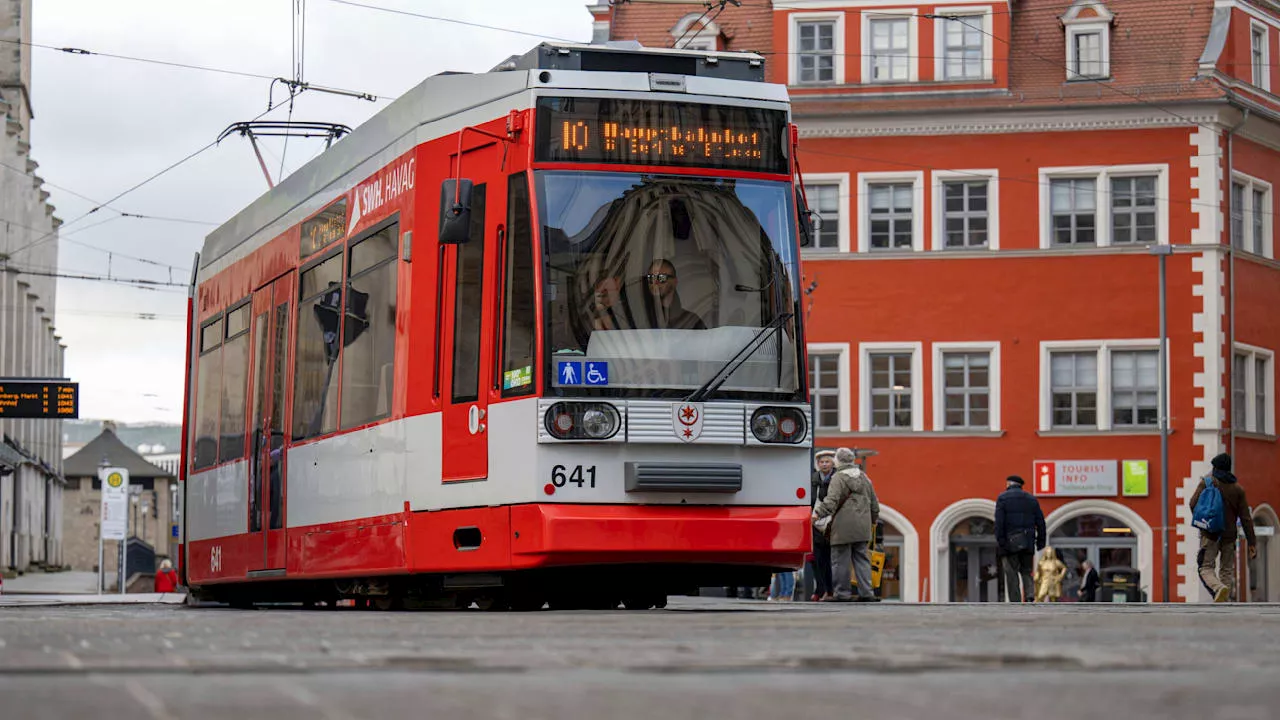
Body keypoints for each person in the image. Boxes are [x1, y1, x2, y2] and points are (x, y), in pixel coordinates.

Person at [813, 447, 880, 602]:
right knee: (862, 558)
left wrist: (817, 514)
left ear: (838, 460)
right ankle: (866, 593)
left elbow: (832, 501)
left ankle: (842, 593)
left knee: (840, 560)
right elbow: (874, 504)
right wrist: (872, 520)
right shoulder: (864, 477)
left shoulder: (838, 477)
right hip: (863, 525)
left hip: (843, 525)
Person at [1190, 453, 1258, 603]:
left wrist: (1203, 523)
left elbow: (1192, 503)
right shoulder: (1238, 489)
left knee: (1205, 567)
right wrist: (1252, 542)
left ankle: (1218, 588)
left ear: (1215, 467)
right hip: (1229, 535)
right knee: (1226, 570)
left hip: (1210, 533)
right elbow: (1246, 518)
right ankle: (1224, 602)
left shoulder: (1207, 483)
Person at [994, 475, 1045, 602]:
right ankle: (1029, 594)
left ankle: (1015, 600)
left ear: (1008, 484)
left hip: (1010, 542)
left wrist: (1000, 541)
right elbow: (1040, 521)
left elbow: (999, 522)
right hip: (1028, 541)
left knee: (1011, 572)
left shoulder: (1002, 498)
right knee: (1026, 570)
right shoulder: (1032, 499)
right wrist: (1040, 541)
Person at [644, 259, 706, 330]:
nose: (655, 283)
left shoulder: (691, 321)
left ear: (674, 281)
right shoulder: (643, 318)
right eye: (651, 278)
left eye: (661, 278)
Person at [808, 449, 836, 601]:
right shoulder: (813, 479)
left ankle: (830, 589)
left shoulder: (837, 478)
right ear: (818, 464)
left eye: (827, 461)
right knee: (817, 558)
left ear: (833, 463)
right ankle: (820, 589)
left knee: (831, 558)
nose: (824, 464)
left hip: (832, 522)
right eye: (822, 462)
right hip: (815, 521)